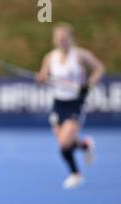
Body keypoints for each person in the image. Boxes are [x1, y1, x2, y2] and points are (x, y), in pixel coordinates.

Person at [37, 23, 104, 189]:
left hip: (75, 103)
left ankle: (76, 174)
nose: (62, 41)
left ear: (70, 39)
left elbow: (99, 69)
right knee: (64, 141)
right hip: (58, 103)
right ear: (55, 40)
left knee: (64, 144)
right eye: (59, 38)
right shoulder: (49, 57)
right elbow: (44, 76)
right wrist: (41, 78)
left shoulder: (80, 55)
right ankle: (85, 146)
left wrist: (89, 84)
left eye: (65, 38)